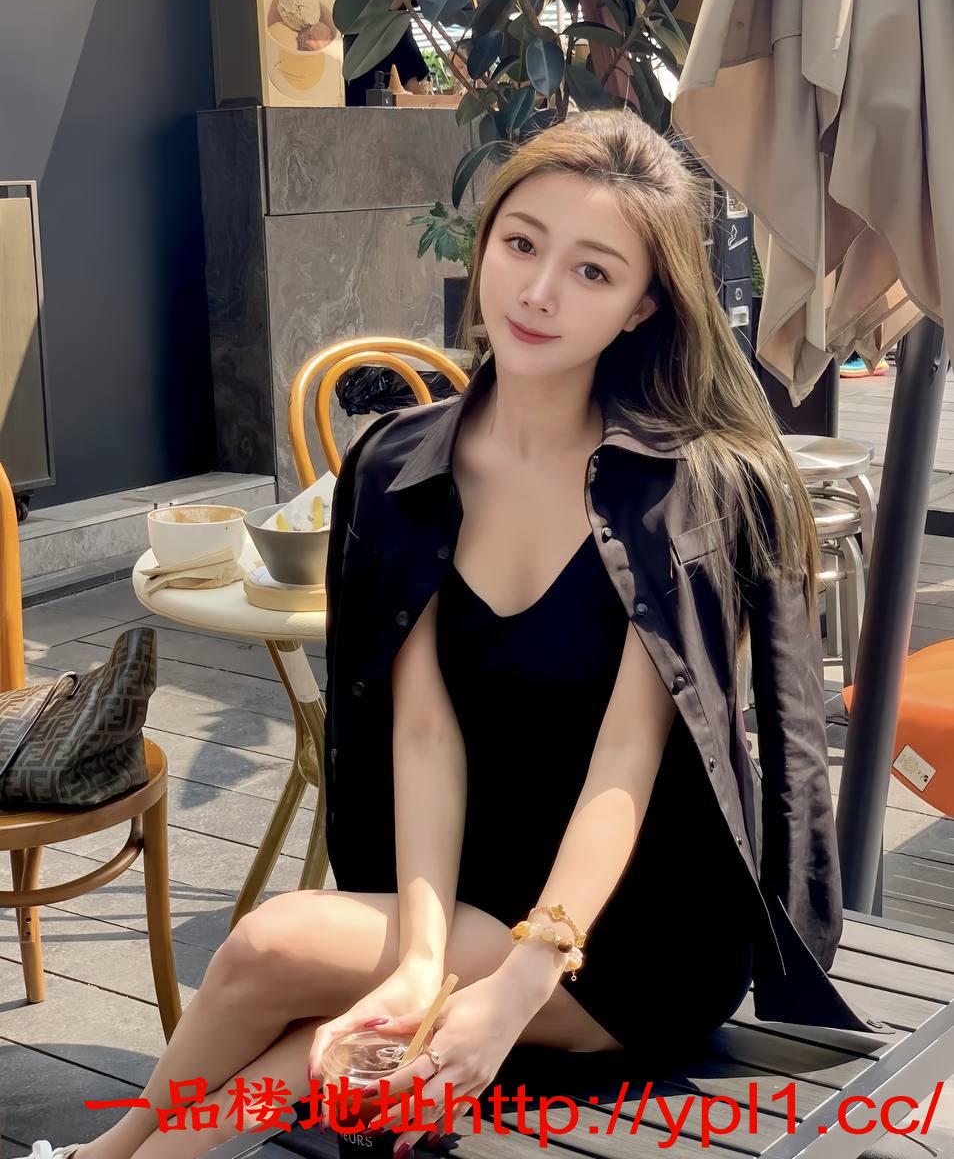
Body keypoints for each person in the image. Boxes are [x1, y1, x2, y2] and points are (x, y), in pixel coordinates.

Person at [36, 111, 875, 1159]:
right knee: (303, 1037)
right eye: (522, 243)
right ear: (485, 244)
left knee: (269, 951)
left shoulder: (678, 491)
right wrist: (421, 963)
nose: (539, 291)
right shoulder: (402, 465)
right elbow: (423, 734)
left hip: (634, 928)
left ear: (643, 305)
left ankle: (105, 1153)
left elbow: (627, 758)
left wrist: (517, 984)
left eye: (593, 270)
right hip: (479, 889)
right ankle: (111, 1154)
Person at [343, 0, 429, 106]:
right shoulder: (398, 25)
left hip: (351, 112)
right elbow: (412, 86)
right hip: (386, 115)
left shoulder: (352, 26)